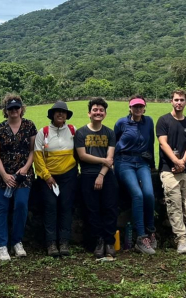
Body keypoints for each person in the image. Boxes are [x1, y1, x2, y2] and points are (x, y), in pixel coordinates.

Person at [156, 90, 186, 253]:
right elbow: (163, 143)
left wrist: (182, 161)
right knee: (174, 206)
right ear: (171, 101)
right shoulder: (163, 120)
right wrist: (176, 161)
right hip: (168, 170)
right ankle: (181, 241)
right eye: (176, 100)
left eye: (182, 100)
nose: (179, 103)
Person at [0, 94, 37, 262]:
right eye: (10, 108)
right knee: (0, 209)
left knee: (21, 205)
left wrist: (25, 169)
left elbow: (33, 150)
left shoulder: (29, 126)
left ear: (21, 109)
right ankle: (2, 245)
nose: (14, 111)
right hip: (1, 175)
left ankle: (17, 241)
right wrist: (4, 175)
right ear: (6, 110)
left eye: (16, 107)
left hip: (23, 174)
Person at [75, 97, 118, 258]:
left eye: (101, 110)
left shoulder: (109, 133)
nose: (98, 112)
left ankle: (109, 241)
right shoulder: (81, 133)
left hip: (106, 175)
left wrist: (101, 174)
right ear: (89, 113)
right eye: (95, 110)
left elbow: (111, 157)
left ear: (105, 114)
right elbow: (82, 156)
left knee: (110, 208)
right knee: (92, 210)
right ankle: (98, 241)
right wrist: (103, 161)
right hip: (87, 175)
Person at [34, 100, 78, 257]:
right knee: (50, 207)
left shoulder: (73, 131)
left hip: (69, 176)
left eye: (63, 112)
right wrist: (47, 176)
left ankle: (64, 241)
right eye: (57, 112)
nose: (60, 114)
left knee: (66, 207)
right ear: (52, 115)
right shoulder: (43, 132)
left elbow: (79, 153)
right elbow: (37, 158)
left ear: (67, 116)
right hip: (48, 178)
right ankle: (51, 243)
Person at [114, 95, 157, 255]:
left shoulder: (149, 122)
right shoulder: (121, 123)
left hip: (142, 161)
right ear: (129, 107)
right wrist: (114, 163)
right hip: (124, 161)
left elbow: (151, 142)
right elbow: (115, 142)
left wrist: (152, 164)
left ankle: (151, 230)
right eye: (135, 106)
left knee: (149, 194)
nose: (138, 109)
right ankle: (141, 237)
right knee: (137, 195)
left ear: (144, 107)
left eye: (140, 106)